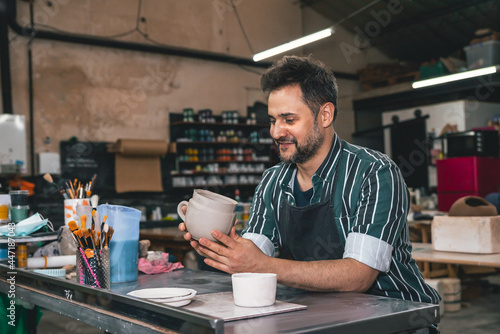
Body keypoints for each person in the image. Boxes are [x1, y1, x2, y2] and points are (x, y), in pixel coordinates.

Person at [179, 55, 440, 305]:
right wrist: (221, 246)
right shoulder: (272, 182)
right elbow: (254, 254)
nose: (276, 132)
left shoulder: (375, 173)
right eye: (272, 121)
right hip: (321, 312)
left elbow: (360, 276)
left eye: (289, 120)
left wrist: (262, 265)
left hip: (393, 314)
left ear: (325, 115)